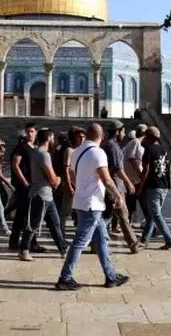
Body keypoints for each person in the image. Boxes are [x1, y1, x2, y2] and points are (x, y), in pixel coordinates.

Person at [55, 123, 129, 291]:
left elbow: (72, 175)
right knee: (80, 241)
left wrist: (82, 187)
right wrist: (118, 195)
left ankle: (110, 275)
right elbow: (106, 179)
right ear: (101, 137)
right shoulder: (98, 153)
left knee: (102, 239)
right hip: (92, 204)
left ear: (87, 135)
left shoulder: (77, 152)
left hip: (83, 202)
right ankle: (65, 278)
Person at [19, 129, 68, 261]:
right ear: (49, 138)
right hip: (41, 194)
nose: (54, 140)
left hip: (46, 195)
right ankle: (24, 250)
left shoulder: (35, 151)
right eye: (53, 138)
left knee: (55, 223)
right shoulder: (43, 154)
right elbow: (52, 179)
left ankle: (63, 249)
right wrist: (59, 179)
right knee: (33, 224)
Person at [102, 121, 140, 252]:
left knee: (119, 215)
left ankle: (133, 243)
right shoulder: (112, 146)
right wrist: (128, 182)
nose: (124, 135)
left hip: (115, 185)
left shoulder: (110, 145)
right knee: (111, 216)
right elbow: (117, 168)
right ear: (118, 131)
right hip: (113, 186)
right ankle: (96, 244)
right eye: (123, 131)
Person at [138, 127, 171, 249]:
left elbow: (146, 170)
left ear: (149, 137)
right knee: (152, 215)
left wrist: (141, 186)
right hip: (163, 186)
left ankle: (169, 239)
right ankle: (144, 239)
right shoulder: (163, 149)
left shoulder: (148, 149)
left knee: (156, 215)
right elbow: (169, 169)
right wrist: (168, 184)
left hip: (153, 186)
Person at [9, 123, 41, 252]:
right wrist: (24, 182)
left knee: (26, 214)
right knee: (24, 214)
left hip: (33, 184)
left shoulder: (35, 148)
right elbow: (15, 165)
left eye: (32, 131)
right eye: (28, 131)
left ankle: (27, 241)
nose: (29, 134)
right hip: (24, 186)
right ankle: (21, 241)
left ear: (36, 132)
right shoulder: (21, 147)